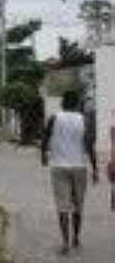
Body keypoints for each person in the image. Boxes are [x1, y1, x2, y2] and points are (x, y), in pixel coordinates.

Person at [41, 89, 98, 253]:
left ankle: (65, 243)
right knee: (78, 206)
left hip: (59, 167)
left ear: (62, 103)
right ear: (77, 103)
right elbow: (89, 145)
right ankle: (76, 238)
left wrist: (43, 155)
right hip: (79, 167)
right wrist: (95, 169)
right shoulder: (84, 120)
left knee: (62, 207)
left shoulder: (54, 118)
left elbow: (45, 137)